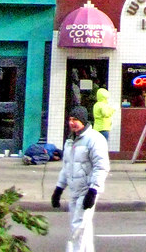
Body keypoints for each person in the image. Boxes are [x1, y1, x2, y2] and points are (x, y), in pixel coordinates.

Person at [51, 105, 110, 252]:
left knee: (78, 227)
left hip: (86, 190)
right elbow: (67, 167)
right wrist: (59, 189)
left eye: (75, 119)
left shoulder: (95, 139)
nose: (71, 123)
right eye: (70, 119)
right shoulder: (70, 141)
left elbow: (101, 167)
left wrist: (93, 190)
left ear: (83, 121)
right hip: (74, 191)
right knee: (83, 227)